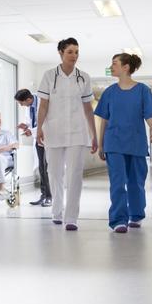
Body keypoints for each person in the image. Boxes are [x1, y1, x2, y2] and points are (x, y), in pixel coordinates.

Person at [36, 38, 98, 231]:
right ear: (61, 53)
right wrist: (38, 128)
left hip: (78, 133)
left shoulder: (84, 77)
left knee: (75, 175)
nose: (74, 56)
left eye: (77, 52)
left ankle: (71, 217)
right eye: (70, 52)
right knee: (54, 173)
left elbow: (88, 109)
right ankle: (57, 210)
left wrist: (93, 134)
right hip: (53, 132)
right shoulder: (48, 76)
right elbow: (43, 105)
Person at [95, 53, 152, 233]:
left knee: (136, 182)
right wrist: (101, 144)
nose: (111, 66)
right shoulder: (109, 92)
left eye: (114, 63)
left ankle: (136, 215)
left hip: (136, 143)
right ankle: (118, 220)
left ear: (126, 67)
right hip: (114, 143)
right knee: (117, 182)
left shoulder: (142, 90)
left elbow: (149, 113)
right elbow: (104, 121)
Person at [15, 89, 51, 207]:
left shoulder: (43, 102)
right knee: (41, 167)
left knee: (47, 167)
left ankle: (49, 197)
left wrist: (32, 130)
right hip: (38, 139)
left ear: (29, 99)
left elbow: (47, 121)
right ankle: (44, 195)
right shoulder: (29, 106)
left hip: (48, 137)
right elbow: (33, 122)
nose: (21, 105)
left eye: (22, 103)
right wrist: (26, 126)